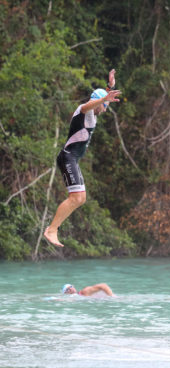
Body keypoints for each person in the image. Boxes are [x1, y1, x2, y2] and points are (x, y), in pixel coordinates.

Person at [44, 69, 121, 247]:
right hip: (67, 157)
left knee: (80, 198)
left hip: (71, 159)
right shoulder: (84, 110)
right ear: (98, 103)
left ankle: (53, 229)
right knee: (76, 197)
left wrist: (109, 87)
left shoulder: (92, 114)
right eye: (104, 107)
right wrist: (103, 99)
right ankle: (51, 230)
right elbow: (89, 105)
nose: (104, 110)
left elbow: (98, 100)